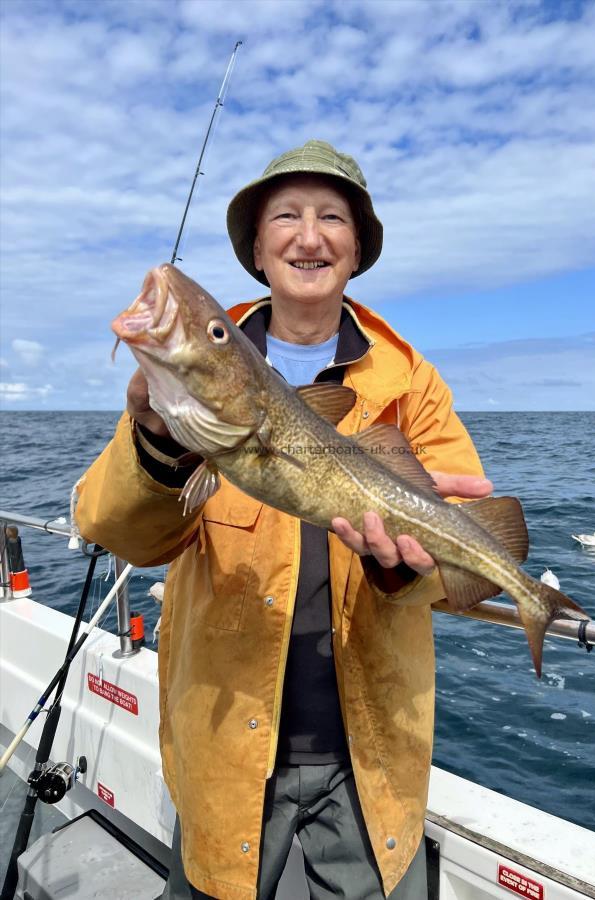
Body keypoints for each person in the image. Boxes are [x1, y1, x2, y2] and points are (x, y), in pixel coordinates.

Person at [75, 140, 491, 899]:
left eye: (332, 217)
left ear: (356, 246)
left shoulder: (410, 379)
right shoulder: (190, 374)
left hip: (372, 747)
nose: (309, 235)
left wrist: (404, 563)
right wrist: (159, 441)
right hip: (225, 738)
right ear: (256, 250)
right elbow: (118, 531)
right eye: (285, 217)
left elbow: (458, 554)